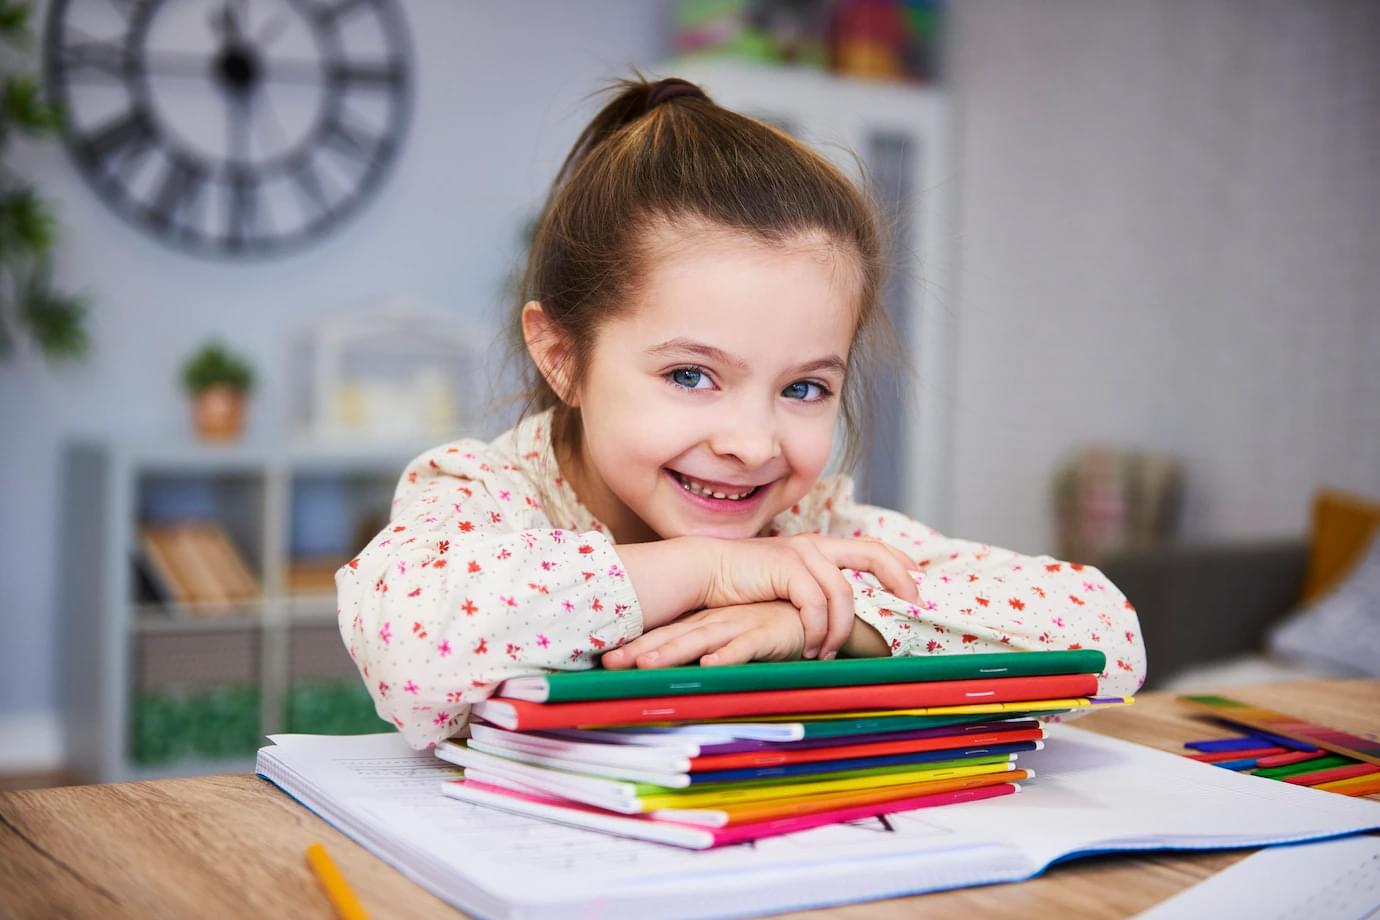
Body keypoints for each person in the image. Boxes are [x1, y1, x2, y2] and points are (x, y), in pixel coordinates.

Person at [337, 76, 1147, 750]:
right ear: (563, 356)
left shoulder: (813, 535)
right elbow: (406, 647)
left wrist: (832, 619)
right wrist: (710, 571)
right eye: (692, 374)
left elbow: (1108, 640)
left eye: (803, 389)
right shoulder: (487, 493)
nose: (753, 444)